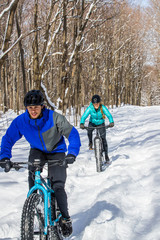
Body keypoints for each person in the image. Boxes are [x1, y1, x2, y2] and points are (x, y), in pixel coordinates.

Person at [0, 89, 81, 237]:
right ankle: (34, 209)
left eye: (36, 107)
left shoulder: (54, 118)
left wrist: (72, 153)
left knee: (57, 186)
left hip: (57, 150)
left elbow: (72, 133)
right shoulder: (21, 121)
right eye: (30, 108)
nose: (33, 110)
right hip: (37, 151)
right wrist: (4, 157)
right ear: (26, 108)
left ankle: (65, 218)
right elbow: (8, 138)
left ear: (42, 106)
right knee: (32, 181)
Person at [80, 94, 114, 163]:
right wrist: (82, 123)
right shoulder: (90, 108)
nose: (96, 105)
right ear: (92, 104)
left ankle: (106, 155)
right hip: (92, 123)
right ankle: (90, 142)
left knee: (103, 138)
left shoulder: (102, 108)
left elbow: (109, 115)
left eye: (97, 103)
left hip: (101, 123)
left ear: (99, 103)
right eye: (94, 104)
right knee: (89, 131)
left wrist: (111, 122)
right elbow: (84, 116)